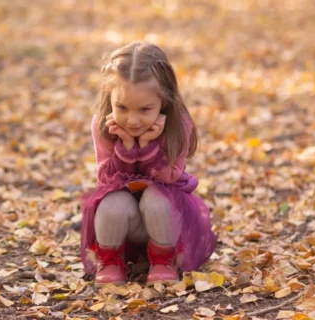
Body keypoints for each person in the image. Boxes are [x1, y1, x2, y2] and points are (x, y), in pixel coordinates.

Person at [80, 41, 217, 286]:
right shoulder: (103, 123)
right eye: (121, 107)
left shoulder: (178, 123)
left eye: (145, 109)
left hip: (166, 217)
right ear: (109, 98)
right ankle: (110, 260)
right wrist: (126, 148)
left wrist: (147, 146)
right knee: (112, 203)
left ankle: (163, 259)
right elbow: (106, 180)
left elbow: (169, 176)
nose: (132, 120)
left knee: (157, 198)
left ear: (163, 102)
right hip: (126, 221)